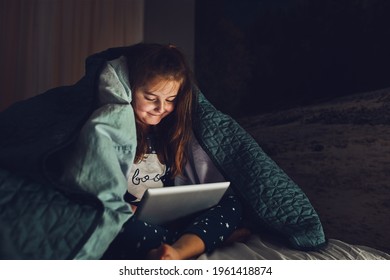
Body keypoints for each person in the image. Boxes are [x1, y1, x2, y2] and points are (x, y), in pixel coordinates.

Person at [101, 43, 248, 260]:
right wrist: (124, 208)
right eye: (151, 98)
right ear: (130, 88)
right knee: (111, 224)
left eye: (170, 100)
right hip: (130, 219)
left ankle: (179, 249)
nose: (161, 108)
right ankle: (195, 242)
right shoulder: (114, 130)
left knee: (232, 203)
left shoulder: (170, 134)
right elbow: (99, 190)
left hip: (170, 217)